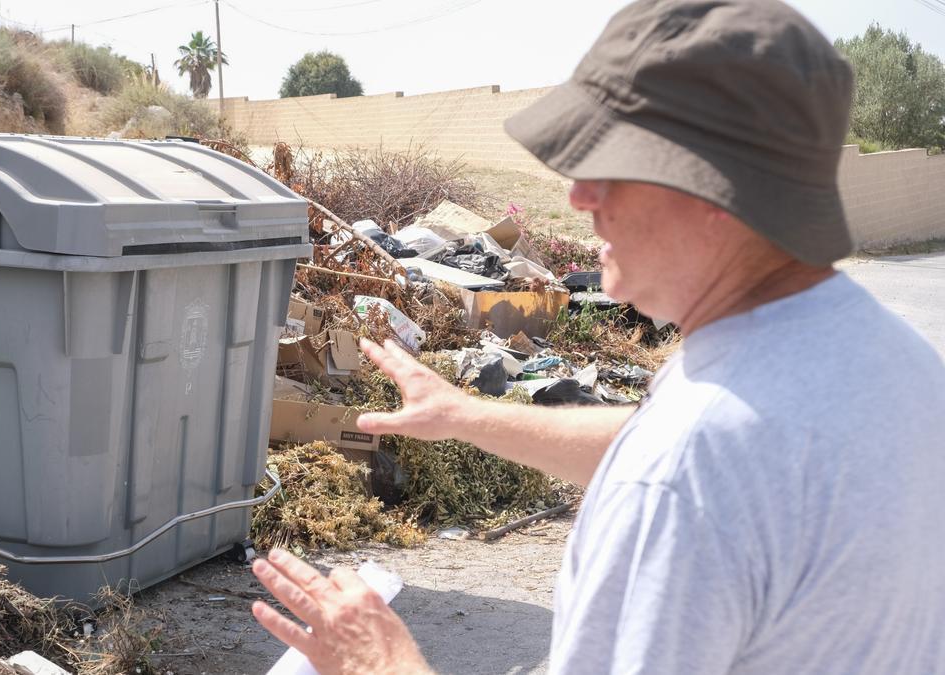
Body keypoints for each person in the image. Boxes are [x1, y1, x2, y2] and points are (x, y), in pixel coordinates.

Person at [249, 0, 945, 673]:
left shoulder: (687, 472)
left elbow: (682, 467)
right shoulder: (899, 364)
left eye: (609, 166)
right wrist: (465, 415)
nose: (579, 196)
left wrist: (381, 661)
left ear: (712, 195)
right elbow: (698, 453)